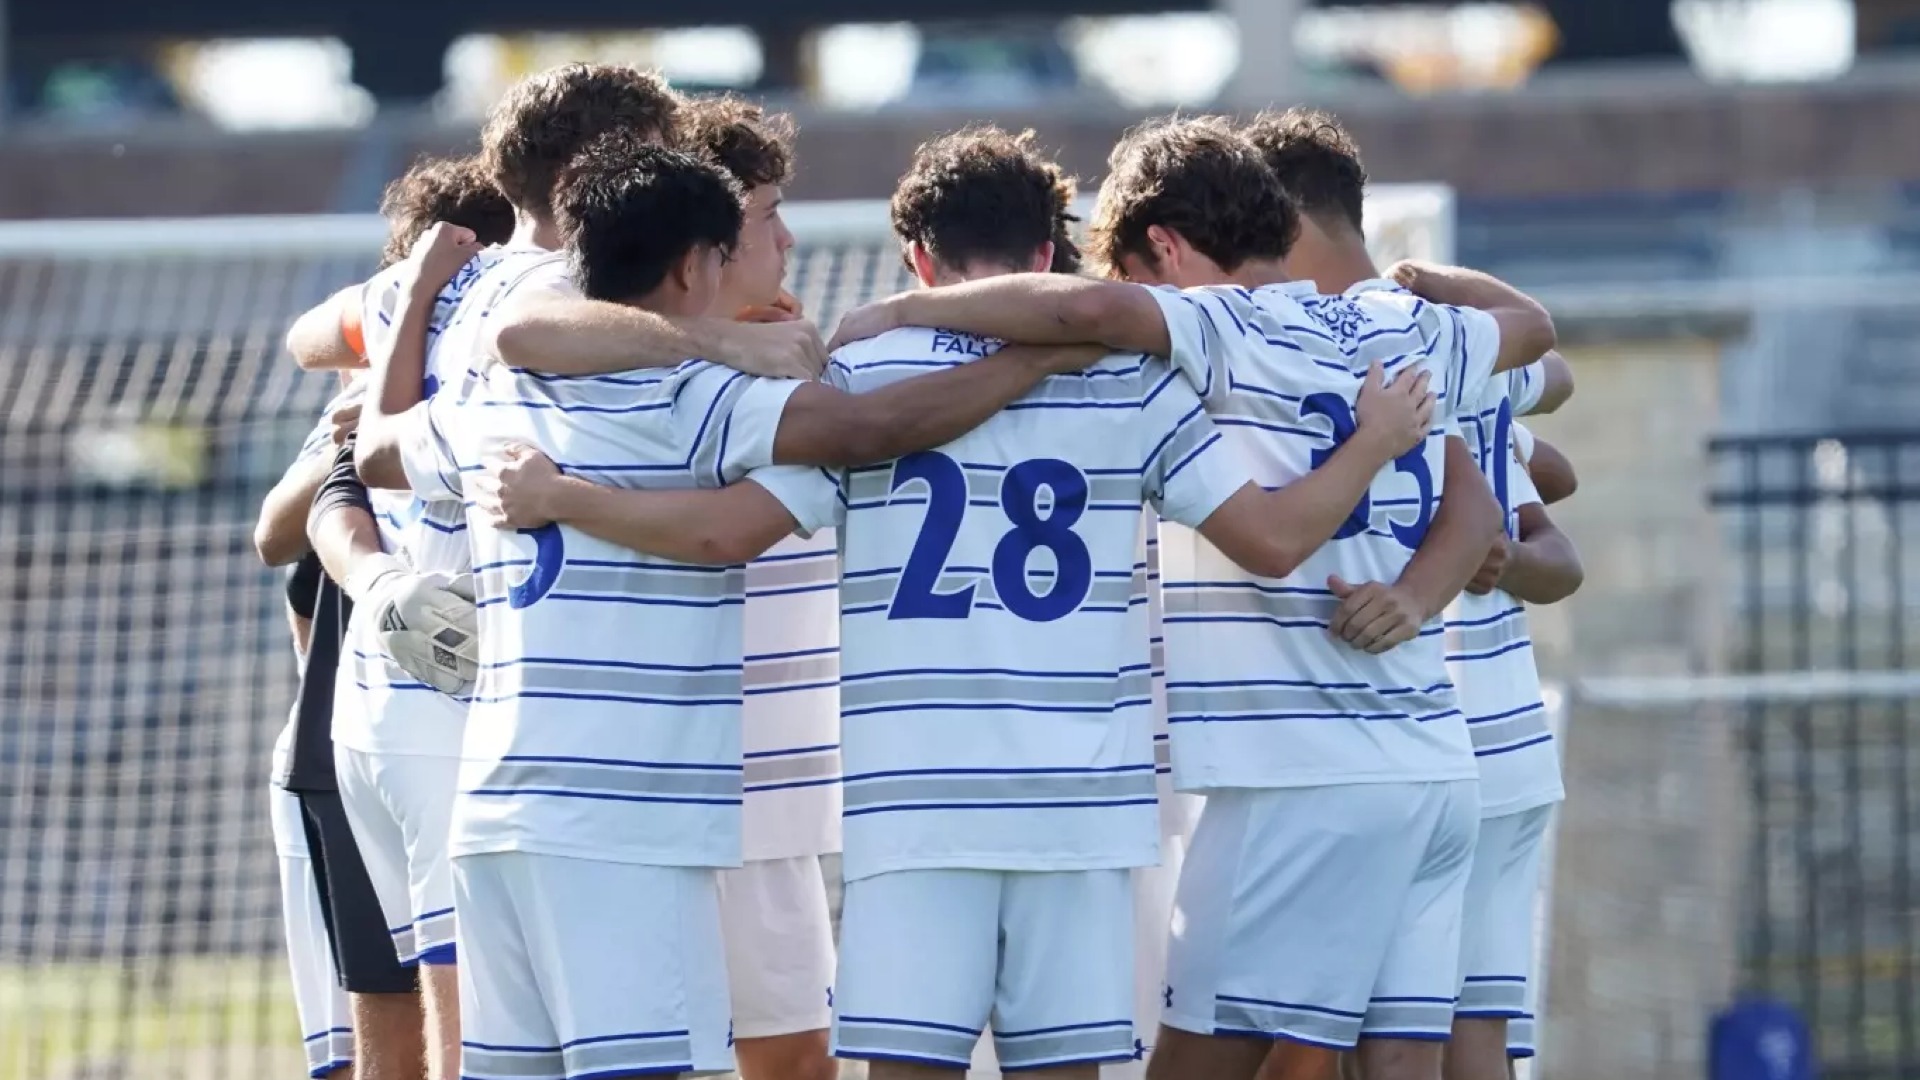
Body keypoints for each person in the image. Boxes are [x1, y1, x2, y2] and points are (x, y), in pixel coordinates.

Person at [476, 124, 1438, 1080]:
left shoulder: (859, 374)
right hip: (1081, 809)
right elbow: (1272, 536)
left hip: (915, 803)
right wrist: (1375, 448)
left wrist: (568, 497)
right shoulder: (1132, 380)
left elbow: (731, 529)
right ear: (1045, 255)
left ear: (919, 261)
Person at [824, 114, 1556, 1080]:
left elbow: (1090, 316)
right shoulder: (1401, 325)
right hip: (1438, 765)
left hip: (1299, 770)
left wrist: (901, 314)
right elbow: (1515, 393)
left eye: (1132, 273)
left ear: (1163, 250)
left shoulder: (1215, 329)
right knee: (1398, 1064)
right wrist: (1417, 597)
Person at [1241, 108, 1583, 1080]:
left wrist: (1489, 558)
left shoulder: (1336, 349)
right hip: (1492, 750)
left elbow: (1545, 516)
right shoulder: (1457, 340)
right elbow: (1552, 401)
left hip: (1431, 737)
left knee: (1366, 1045)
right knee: (1469, 1043)